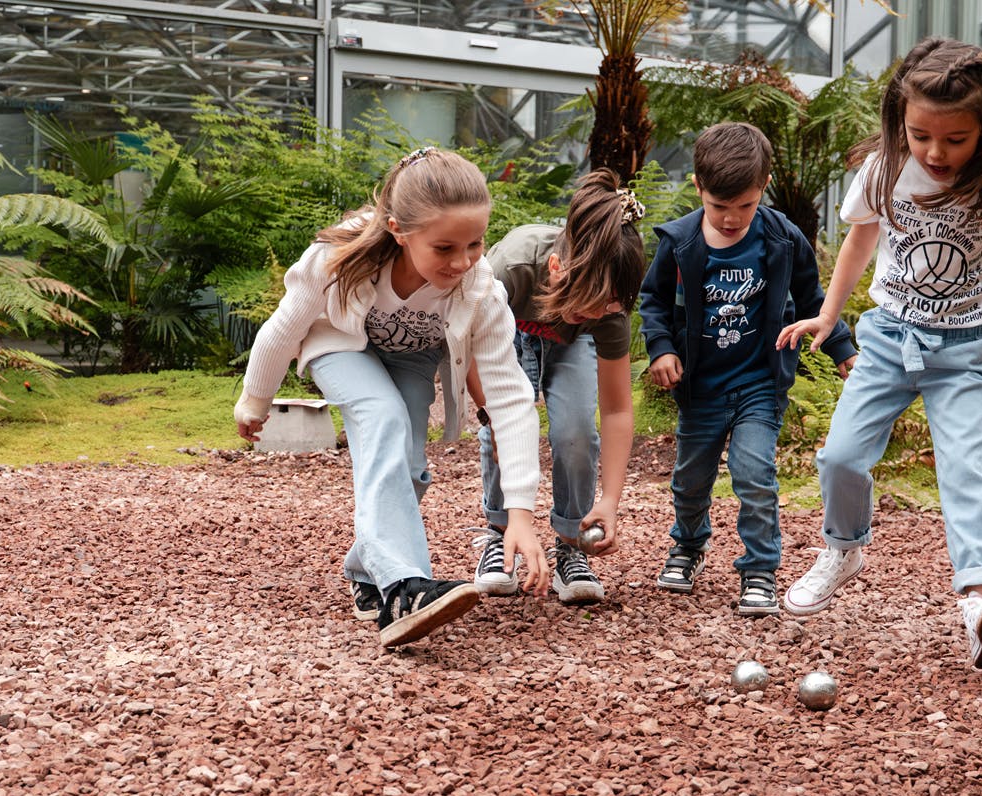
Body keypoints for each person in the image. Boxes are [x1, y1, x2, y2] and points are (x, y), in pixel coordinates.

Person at [773, 38, 982, 668]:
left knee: (963, 472)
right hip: (889, 338)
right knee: (840, 456)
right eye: (921, 136)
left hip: (965, 351)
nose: (935, 153)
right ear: (901, 123)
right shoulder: (885, 169)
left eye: (955, 139)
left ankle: (980, 599)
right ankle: (843, 549)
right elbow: (860, 240)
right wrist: (829, 316)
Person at [234, 146, 552, 649]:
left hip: (412, 357)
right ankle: (405, 588)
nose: (463, 261)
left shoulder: (481, 290)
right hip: (341, 346)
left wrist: (520, 515)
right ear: (399, 230)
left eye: (475, 243)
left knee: (408, 466)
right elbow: (284, 328)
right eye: (444, 248)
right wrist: (255, 401)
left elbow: (512, 399)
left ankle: (367, 571)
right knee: (382, 417)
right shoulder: (337, 258)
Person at [638, 122, 859, 617]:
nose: (732, 218)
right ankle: (688, 546)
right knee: (689, 480)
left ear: (764, 186)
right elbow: (652, 300)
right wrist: (661, 349)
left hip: (759, 382)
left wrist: (842, 347)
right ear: (698, 186)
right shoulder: (679, 242)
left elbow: (813, 299)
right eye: (720, 206)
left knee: (754, 474)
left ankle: (759, 569)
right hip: (699, 387)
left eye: (745, 205)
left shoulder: (782, 238)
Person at [464, 169, 644, 606]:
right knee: (502, 429)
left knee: (577, 432)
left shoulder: (607, 311)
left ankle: (570, 542)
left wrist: (610, 500)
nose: (600, 313)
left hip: (571, 344)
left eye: (609, 307)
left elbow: (617, 410)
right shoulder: (511, 268)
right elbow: (468, 351)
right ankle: (500, 533)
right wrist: (493, 415)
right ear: (557, 269)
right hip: (508, 332)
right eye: (592, 304)